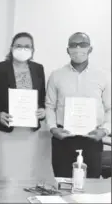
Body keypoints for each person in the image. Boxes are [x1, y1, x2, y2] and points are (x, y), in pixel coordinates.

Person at [46, 32, 110, 178]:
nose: (78, 48)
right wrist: (53, 128)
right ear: (67, 50)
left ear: (90, 49)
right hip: (63, 139)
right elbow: (49, 106)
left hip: (92, 139)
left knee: (91, 185)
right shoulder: (56, 75)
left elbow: (110, 108)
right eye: (73, 45)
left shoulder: (103, 76)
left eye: (83, 44)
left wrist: (104, 131)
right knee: (62, 183)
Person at [0, 32, 47, 178]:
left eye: (27, 46)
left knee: (26, 173)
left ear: (33, 50)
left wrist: (43, 110)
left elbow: (43, 98)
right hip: (5, 130)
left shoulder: (38, 69)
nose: (23, 49)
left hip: (29, 132)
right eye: (19, 46)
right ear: (11, 47)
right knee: (3, 173)